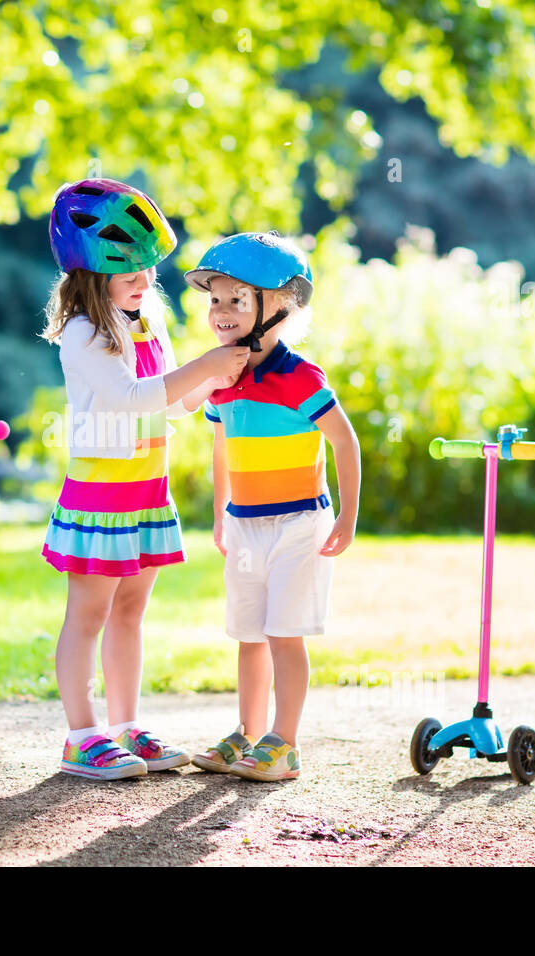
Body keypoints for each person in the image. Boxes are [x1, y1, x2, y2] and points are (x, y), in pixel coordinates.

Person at [40, 179, 250, 780]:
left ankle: (125, 726)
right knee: (88, 614)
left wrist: (215, 386)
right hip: (100, 494)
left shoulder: (146, 321)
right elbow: (132, 399)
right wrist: (204, 366)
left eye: (148, 269)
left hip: (146, 493)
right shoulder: (84, 333)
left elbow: (171, 403)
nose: (144, 281)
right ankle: (82, 735)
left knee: (130, 612)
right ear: (89, 272)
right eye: (128, 271)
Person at [184, 232, 361, 782]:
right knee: (249, 635)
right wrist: (220, 512)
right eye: (215, 298)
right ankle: (249, 733)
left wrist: (349, 516)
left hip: (298, 523)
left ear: (278, 306)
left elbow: (344, 442)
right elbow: (221, 446)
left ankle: (284, 743)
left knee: (285, 634)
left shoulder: (300, 377)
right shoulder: (221, 375)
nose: (221, 310)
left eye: (238, 299)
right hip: (245, 526)